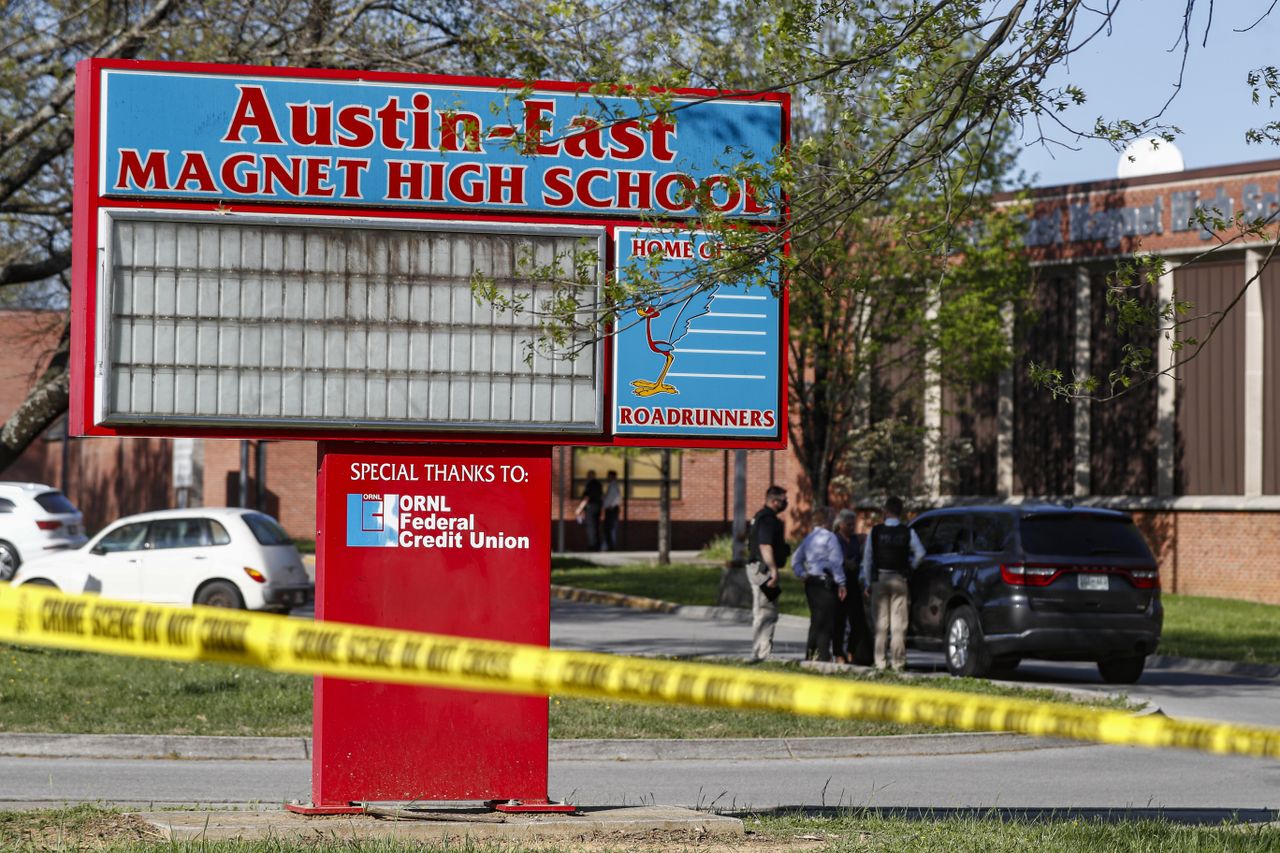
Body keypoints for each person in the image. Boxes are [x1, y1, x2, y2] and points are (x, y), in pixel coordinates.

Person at [860, 496, 925, 671]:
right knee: (899, 624)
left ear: (886, 511)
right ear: (900, 512)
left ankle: (880, 662)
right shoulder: (907, 531)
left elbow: (867, 559)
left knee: (880, 624)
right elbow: (920, 553)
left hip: (880, 578)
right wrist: (910, 568)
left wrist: (868, 582)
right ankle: (898, 662)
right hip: (899, 579)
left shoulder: (875, 532)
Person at [791, 506, 846, 662]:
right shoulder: (830, 537)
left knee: (816, 619)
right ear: (827, 520)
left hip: (811, 583)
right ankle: (822, 655)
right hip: (826, 583)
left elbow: (796, 560)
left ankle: (811, 654)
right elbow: (836, 563)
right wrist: (842, 583)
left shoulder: (809, 538)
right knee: (826, 621)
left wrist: (801, 573)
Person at [746, 485, 790, 661]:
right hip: (764, 570)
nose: (786, 503)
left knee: (760, 611)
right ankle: (762, 654)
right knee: (768, 612)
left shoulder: (759, 516)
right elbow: (765, 545)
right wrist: (773, 571)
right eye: (784, 500)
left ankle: (757, 652)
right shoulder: (768, 520)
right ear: (774, 501)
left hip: (756, 568)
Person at [833, 508, 872, 665]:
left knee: (858, 620)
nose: (851, 527)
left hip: (854, 582)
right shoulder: (835, 539)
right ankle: (838, 653)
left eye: (853, 525)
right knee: (840, 620)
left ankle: (851, 650)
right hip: (840, 583)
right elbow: (835, 559)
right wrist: (845, 562)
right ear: (841, 524)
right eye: (848, 525)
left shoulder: (856, 540)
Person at [578, 470, 603, 551]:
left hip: (591, 507)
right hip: (597, 507)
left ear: (591, 476)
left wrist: (579, 508)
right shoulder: (599, 484)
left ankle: (592, 546)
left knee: (591, 527)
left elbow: (587, 497)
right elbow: (601, 496)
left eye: (588, 475)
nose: (587, 477)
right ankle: (597, 546)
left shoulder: (590, 484)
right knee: (596, 526)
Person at [601, 470, 622, 551]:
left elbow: (611, 499)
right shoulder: (614, 485)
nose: (607, 477)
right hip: (613, 509)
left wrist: (605, 505)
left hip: (611, 509)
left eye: (608, 476)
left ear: (612, 477)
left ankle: (611, 546)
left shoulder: (613, 486)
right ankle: (611, 545)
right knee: (611, 528)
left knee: (610, 528)